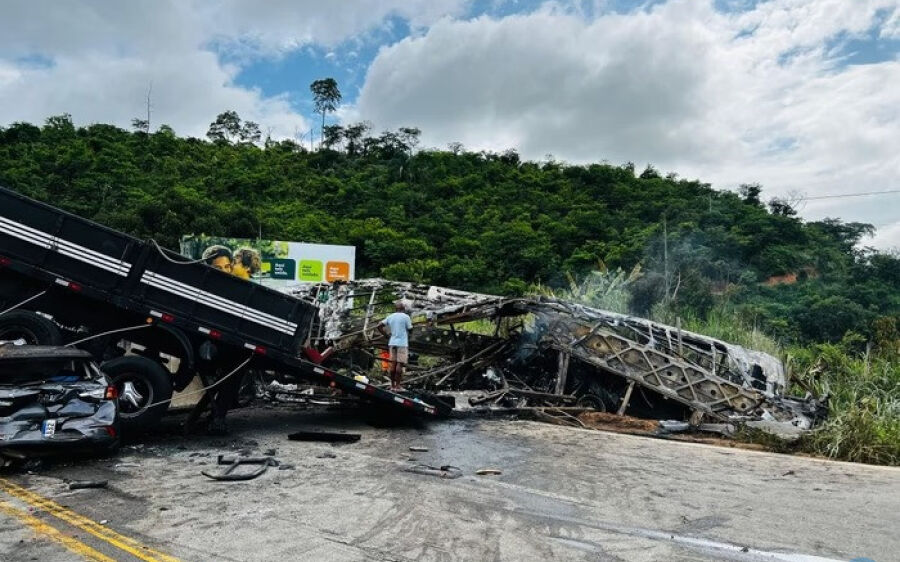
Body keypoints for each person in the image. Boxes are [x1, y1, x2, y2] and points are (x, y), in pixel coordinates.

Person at [377, 301, 413, 391]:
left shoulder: (391, 316)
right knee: (399, 365)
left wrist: (385, 335)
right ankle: (398, 386)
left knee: (393, 364)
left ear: (395, 309)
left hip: (392, 342)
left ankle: (392, 385)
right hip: (402, 343)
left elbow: (379, 326)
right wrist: (409, 335)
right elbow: (410, 328)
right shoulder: (406, 317)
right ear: (403, 308)